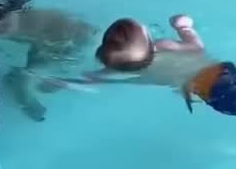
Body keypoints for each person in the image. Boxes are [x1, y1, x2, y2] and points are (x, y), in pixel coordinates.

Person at [42, 14, 236, 116]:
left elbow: (96, 78)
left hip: (194, 86)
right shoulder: (180, 49)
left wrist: (63, 82)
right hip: (205, 77)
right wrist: (183, 25)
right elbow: (189, 35)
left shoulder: (146, 70)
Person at [0, 9, 98, 121]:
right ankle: (21, 88)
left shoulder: (64, 33)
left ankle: (22, 81)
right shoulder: (57, 37)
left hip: (35, 29)